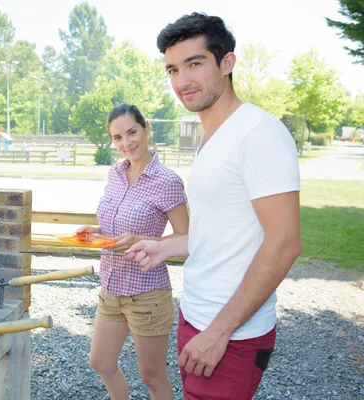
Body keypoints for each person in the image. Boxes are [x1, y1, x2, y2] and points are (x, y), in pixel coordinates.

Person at [125, 13, 302, 400]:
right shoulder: (210, 136)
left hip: (231, 334)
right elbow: (220, 231)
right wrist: (167, 246)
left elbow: (285, 242)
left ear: (227, 63)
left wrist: (219, 332)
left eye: (195, 64)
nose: (182, 81)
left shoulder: (260, 133)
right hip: (197, 317)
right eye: (173, 69)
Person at [80, 103, 189, 400]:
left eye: (132, 132)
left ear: (146, 128)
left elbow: (187, 239)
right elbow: (114, 229)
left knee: (151, 376)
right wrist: (95, 233)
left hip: (147, 293)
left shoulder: (167, 181)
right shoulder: (115, 173)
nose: (126, 143)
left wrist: (142, 239)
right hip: (112, 288)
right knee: (100, 362)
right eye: (117, 137)